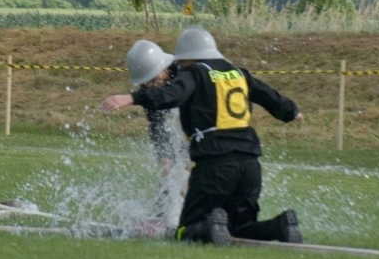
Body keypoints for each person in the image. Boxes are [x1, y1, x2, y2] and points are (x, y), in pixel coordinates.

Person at [100, 26, 304, 246]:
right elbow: (266, 94)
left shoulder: (193, 72)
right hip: (250, 163)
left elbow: (172, 95)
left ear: (186, 58)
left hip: (215, 164)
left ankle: (208, 225)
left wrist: (132, 98)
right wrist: (291, 111)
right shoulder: (238, 72)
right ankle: (281, 225)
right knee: (241, 228)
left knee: (185, 230)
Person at [124, 39, 188, 223]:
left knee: (186, 172)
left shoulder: (184, 73)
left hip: (205, 124)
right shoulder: (149, 89)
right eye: (145, 83)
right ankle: (161, 212)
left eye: (153, 80)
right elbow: (157, 127)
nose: (151, 86)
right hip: (184, 127)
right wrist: (165, 161)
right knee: (169, 173)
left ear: (163, 68)